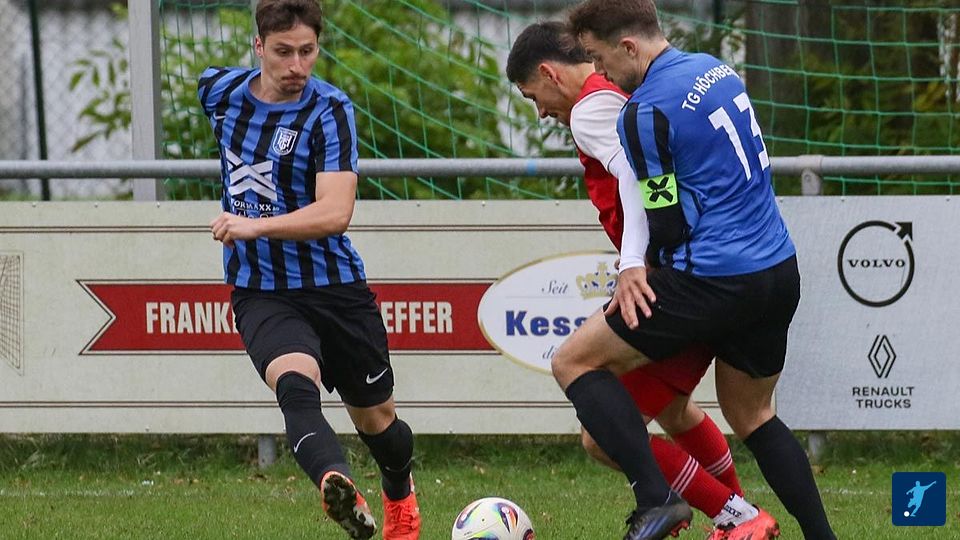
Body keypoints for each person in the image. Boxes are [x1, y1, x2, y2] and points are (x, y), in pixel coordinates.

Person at [551, 1, 836, 539]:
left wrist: (636, 270)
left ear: (628, 46)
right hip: (778, 269)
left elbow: (665, 220)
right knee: (753, 417)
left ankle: (657, 500)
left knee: (572, 361)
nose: (600, 71)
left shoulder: (643, 112)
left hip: (710, 281)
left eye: (599, 57)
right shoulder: (715, 69)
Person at [506, 21, 777, 540]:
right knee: (675, 410)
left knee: (601, 434)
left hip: (674, 280)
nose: (539, 111)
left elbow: (635, 175)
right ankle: (739, 519)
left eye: (532, 96)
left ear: (548, 73)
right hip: (704, 271)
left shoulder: (589, 109)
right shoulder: (616, 93)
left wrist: (635, 262)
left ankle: (735, 517)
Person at [197, 1, 419, 539]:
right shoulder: (219, 92)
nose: (297, 65)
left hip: (334, 286)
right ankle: (336, 483)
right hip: (261, 289)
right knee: (295, 385)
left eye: (307, 51)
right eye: (283, 52)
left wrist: (255, 226)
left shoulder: (329, 110)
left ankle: (399, 491)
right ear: (258, 47)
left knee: (378, 422)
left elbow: (335, 212)